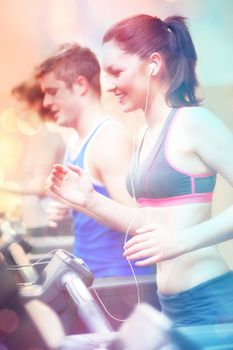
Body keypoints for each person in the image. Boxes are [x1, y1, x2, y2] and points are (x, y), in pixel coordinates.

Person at [47, 14, 233, 328]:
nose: (109, 86)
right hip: (170, 302)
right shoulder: (146, 133)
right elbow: (146, 224)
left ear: (153, 64)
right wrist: (89, 200)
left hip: (208, 298)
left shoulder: (193, 123)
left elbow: (172, 238)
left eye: (116, 72)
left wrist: (180, 241)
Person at [35, 43, 154, 278]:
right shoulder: (75, 140)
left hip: (119, 285)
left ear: (80, 85)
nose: (46, 103)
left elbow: (139, 222)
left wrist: (81, 203)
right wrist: (70, 206)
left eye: (53, 91)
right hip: (92, 279)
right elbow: (99, 202)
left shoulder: (109, 140)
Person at [0, 80, 67, 237]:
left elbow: (39, 187)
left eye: (19, 101)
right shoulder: (36, 136)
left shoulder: (49, 135)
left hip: (47, 224)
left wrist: (3, 186)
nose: (14, 108)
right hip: (36, 221)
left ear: (36, 103)